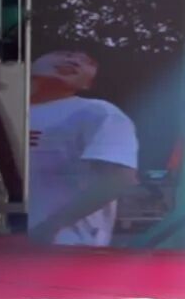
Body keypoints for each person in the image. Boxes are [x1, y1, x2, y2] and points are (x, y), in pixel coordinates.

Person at [28, 51, 139, 246]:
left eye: (86, 62)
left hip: (64, 245)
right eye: (66, 54)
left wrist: (51, 226)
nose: (73, 61)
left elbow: (120, 178)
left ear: (87, 84)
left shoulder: (99, 113)